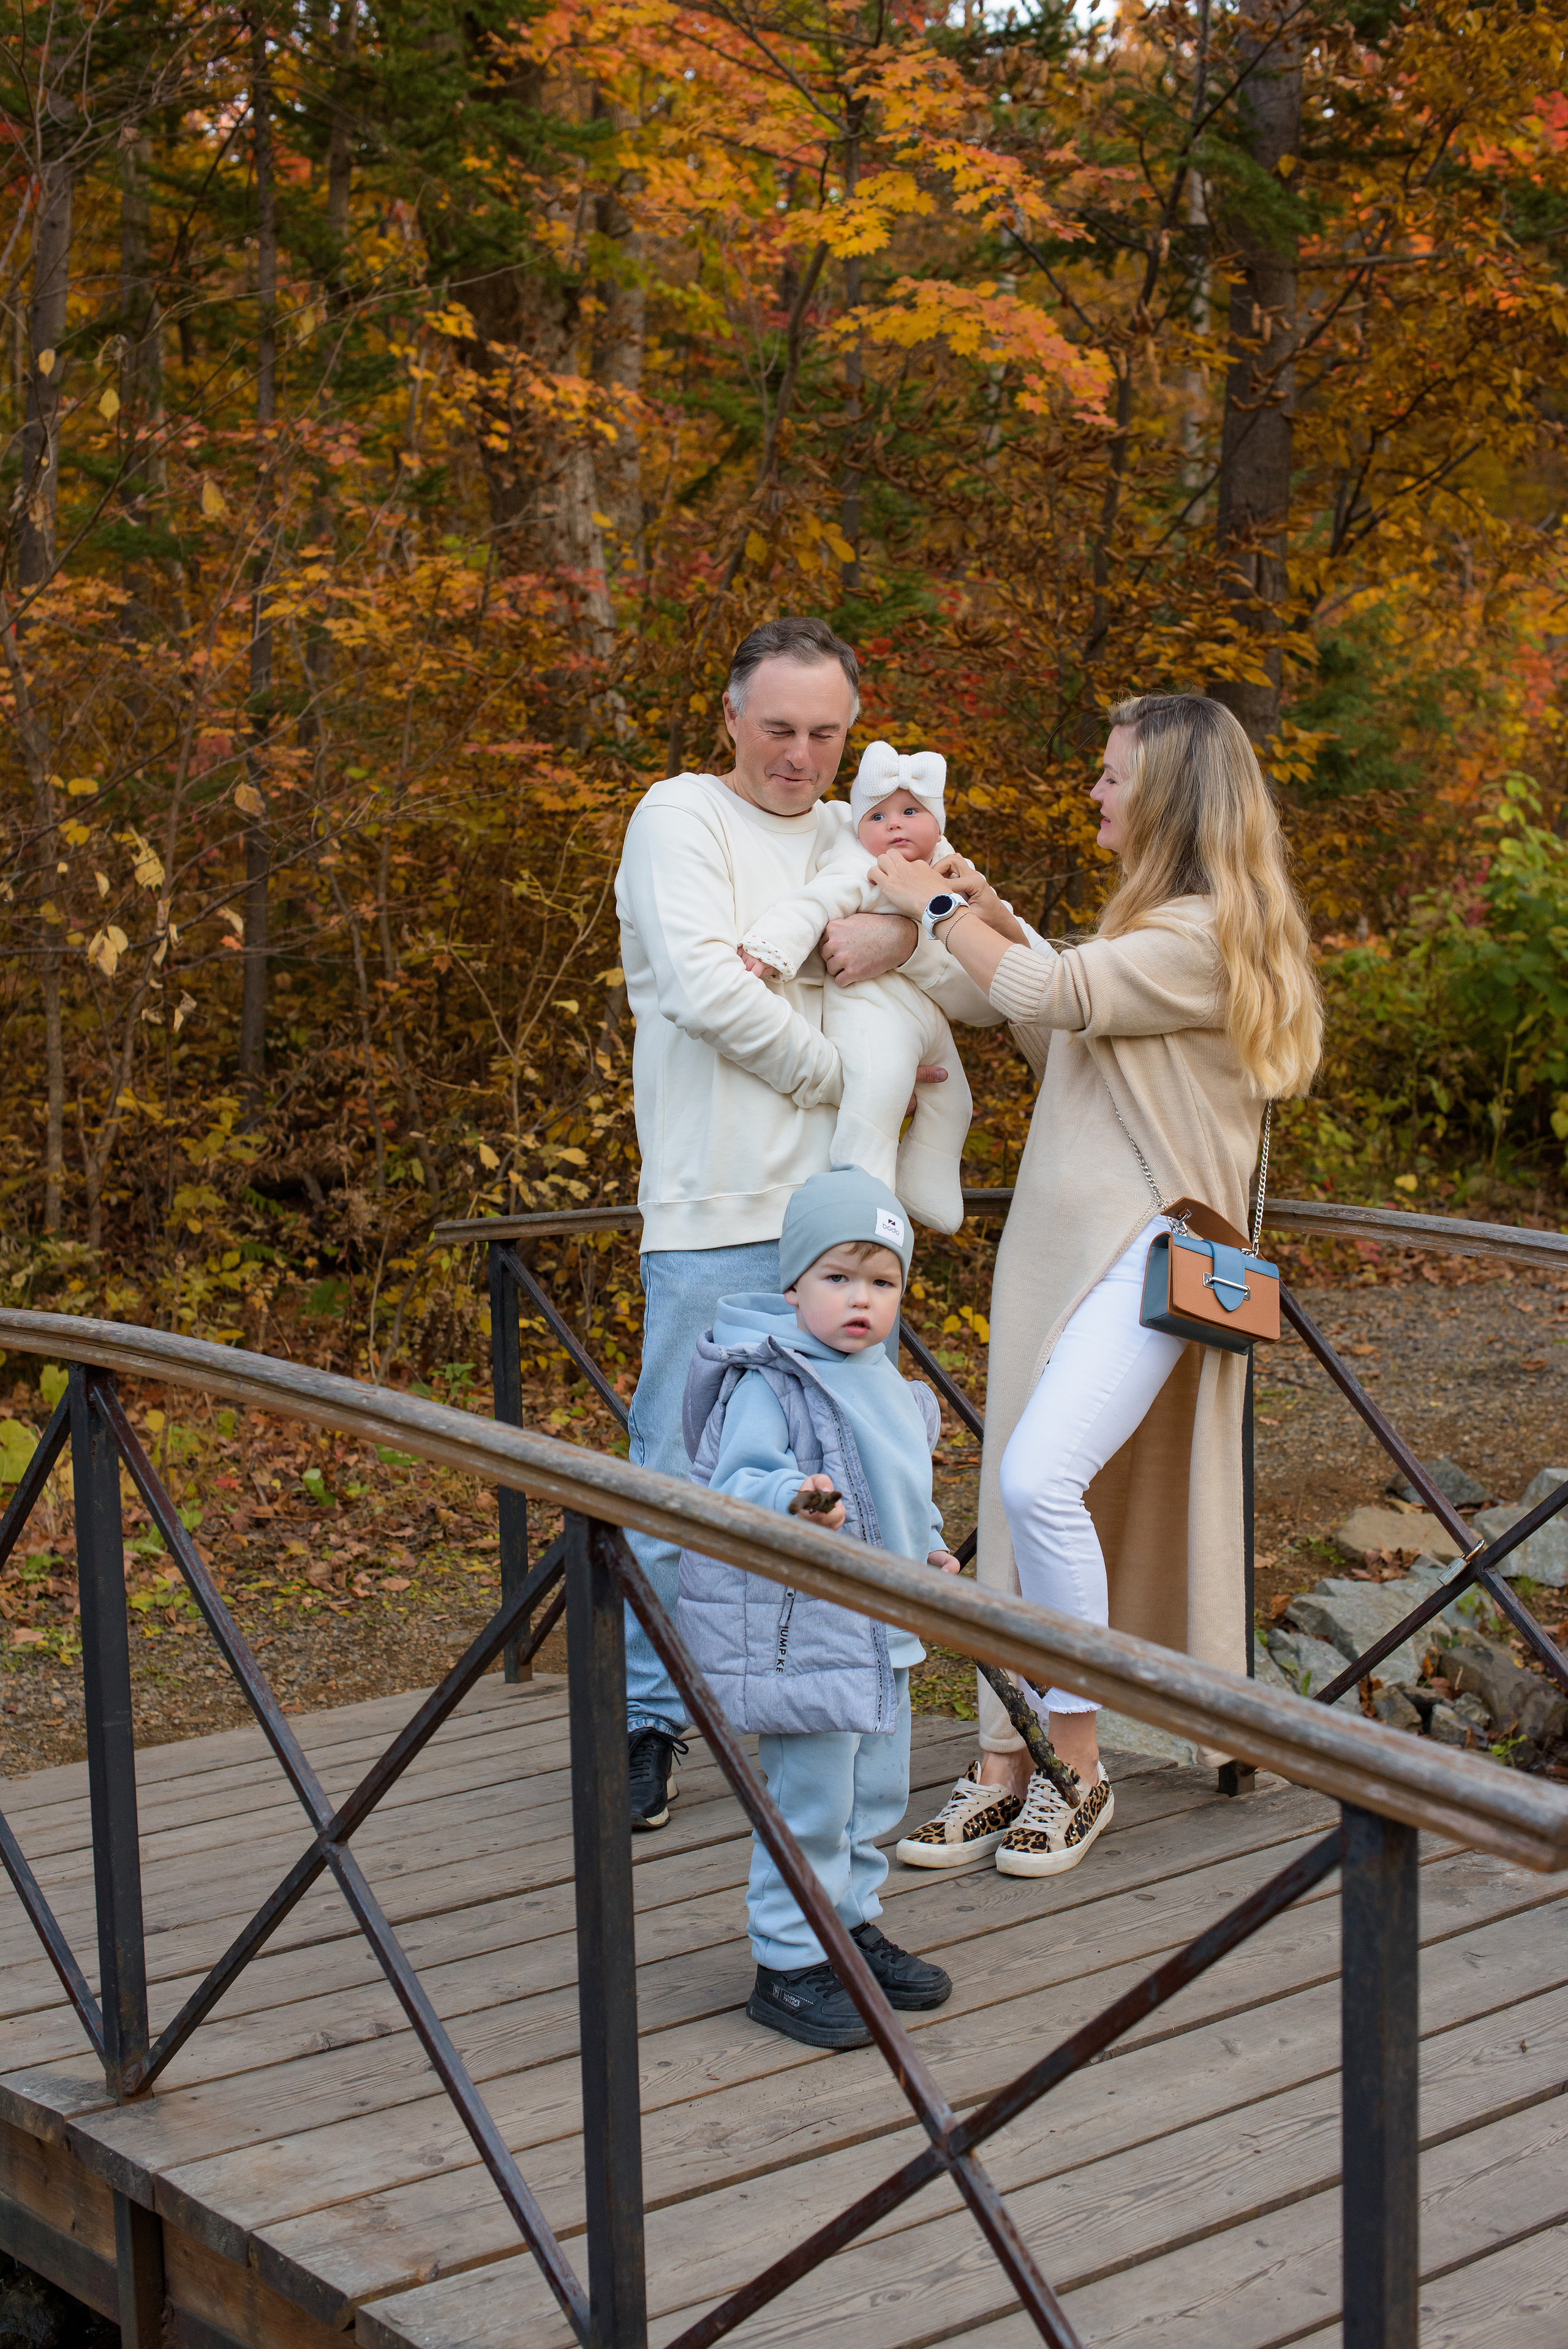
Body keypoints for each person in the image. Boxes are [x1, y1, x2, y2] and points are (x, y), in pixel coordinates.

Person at [876, 693, 1322, 1876]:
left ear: (1169, 794)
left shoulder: (1208, 931)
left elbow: (1045, 994)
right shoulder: (1155, 930)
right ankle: (1004, 1762)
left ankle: (1074, 1763)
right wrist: (972, 898)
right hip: (1061, 1255)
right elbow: (1055, 1027)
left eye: (1113, 775)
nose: (1094, 791)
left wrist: (921, 893)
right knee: (1023, 1506)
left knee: (1037, 1480)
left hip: (1144, 1251)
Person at [613, 616, 998, 1830]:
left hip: (845, 1226)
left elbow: (973, 980)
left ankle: (817, 1716)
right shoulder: (677, 818)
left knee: (846, 1473)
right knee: (681, 1473)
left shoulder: (864, 825)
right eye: (776, 728)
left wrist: (896, 929)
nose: (798, 754)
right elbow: (707, 991)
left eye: (823, 732)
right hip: (716, 1200)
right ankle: (651, 1717)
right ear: (728, 717)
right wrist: (840, 1083)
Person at [677, 1165, 962, 2049]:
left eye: (882, 1282)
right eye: (838, 1277)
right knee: (809, 1801)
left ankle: (848, 1923)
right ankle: (790, 1960)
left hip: (885, 1630)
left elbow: (903, 1487)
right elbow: (738, 1480)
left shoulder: (888, 1382)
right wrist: (799, 1498)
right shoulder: (771, 1379)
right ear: (793, 1282)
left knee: (873, 1796)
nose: (860, 1300)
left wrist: (930, 1544)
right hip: (811, 1630)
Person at [736, 739, 1029, 1232]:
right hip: (871, 1008)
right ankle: (859, 1200)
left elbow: (1004, 984)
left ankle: (925, 1182)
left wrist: (920, 935)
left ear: (938, 822)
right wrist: (771, 945)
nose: (893, 824)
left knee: (955, 1102)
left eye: (911, 810)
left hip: (929, 1016)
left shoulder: (958, 875)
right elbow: (813, 904)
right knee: (879, 1091)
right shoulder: (860, 867)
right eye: (877, 816)